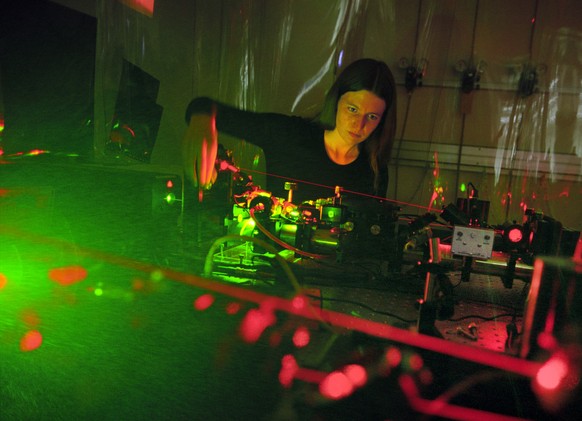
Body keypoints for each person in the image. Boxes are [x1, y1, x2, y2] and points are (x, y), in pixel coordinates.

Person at [182, 58, 397, 204]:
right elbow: (202, 106)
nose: (359, 125)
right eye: (352, 109)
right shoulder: (290, 135)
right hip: (276, 266)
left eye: (372, 117)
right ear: (336, 100)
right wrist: (203, 122)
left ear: (382, 120)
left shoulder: (375, 168)